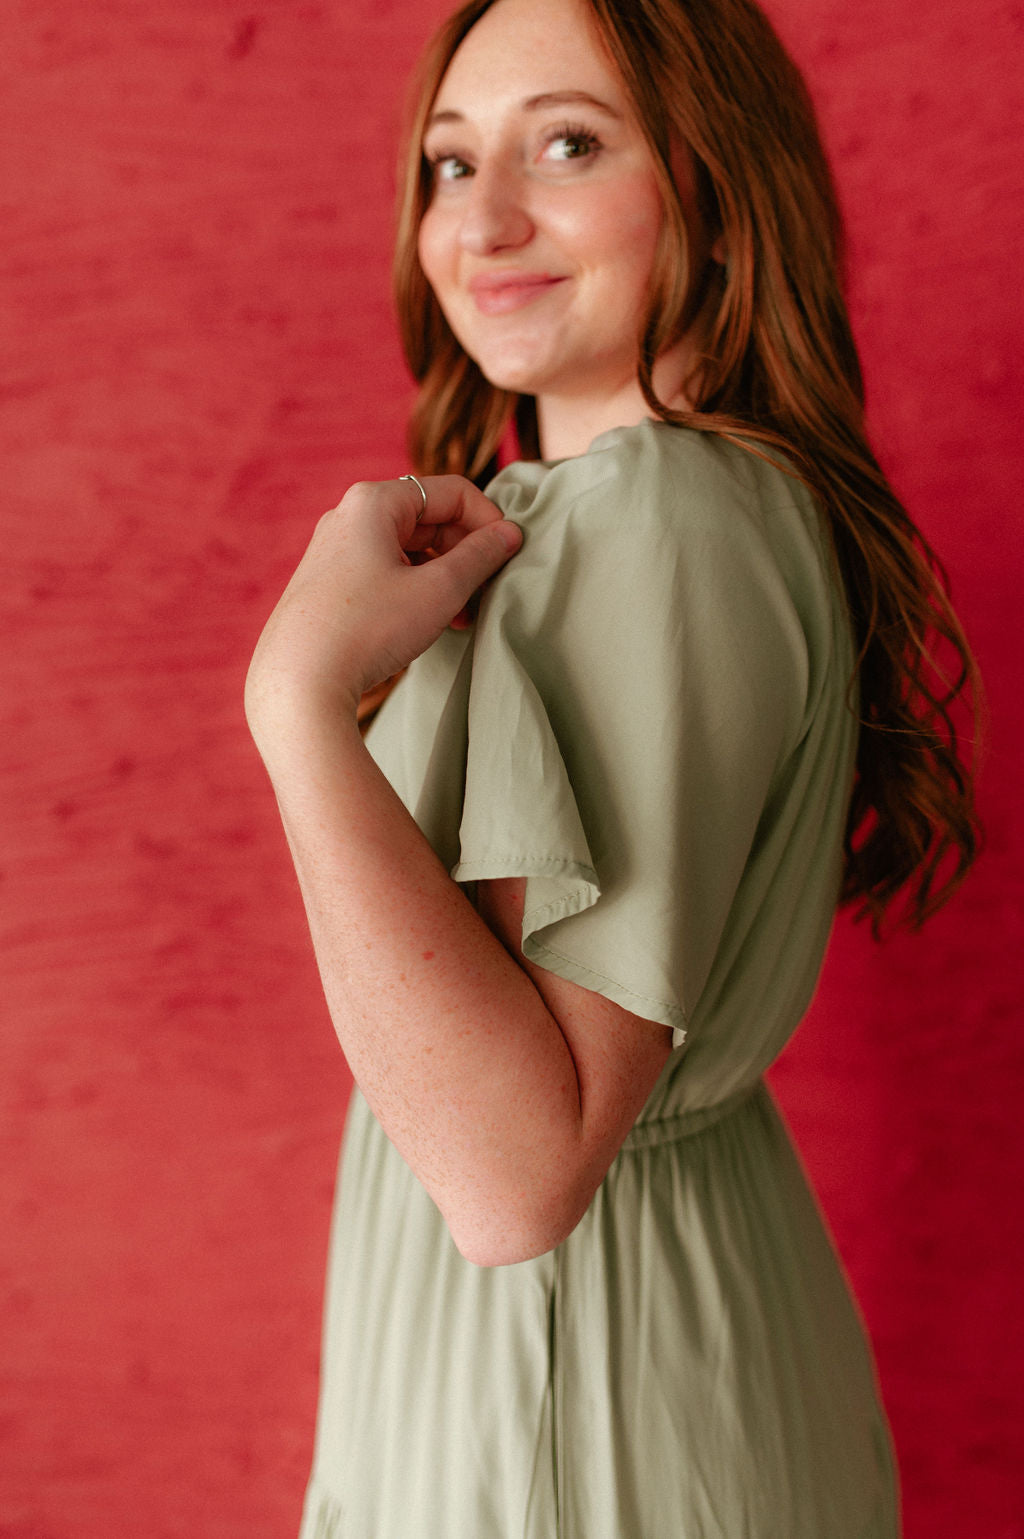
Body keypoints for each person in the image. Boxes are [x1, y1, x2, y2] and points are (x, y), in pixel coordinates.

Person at [244, 0, 979, 1532]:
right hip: (642, 1331)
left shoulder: (656, 519)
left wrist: (296, 705)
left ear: (713, 184)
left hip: (575, 1378)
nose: (486, 219)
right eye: (449, 165)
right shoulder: (636, 512)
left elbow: (516, 1179)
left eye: (567, 144)